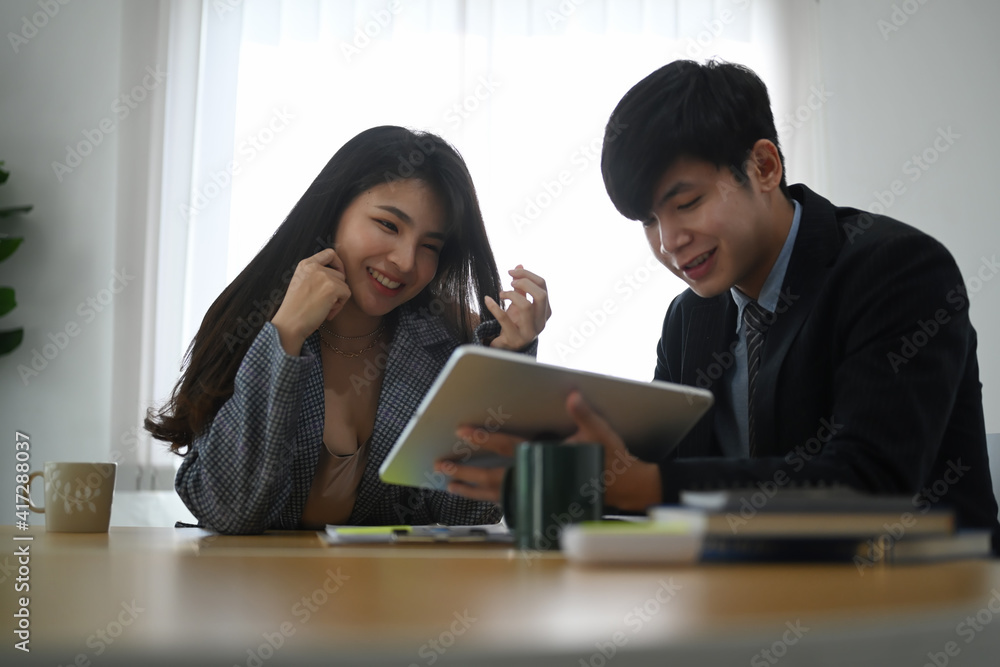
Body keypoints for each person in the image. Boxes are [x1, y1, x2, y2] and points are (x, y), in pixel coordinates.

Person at [440, 60, 1000, 553]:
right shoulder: (691, 318)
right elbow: (666, 483)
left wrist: (641, 483)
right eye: (649, 223)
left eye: (687, 203)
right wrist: (557, 474)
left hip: (924, 602)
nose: (669, 242)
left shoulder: (897, 269)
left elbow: (871, 482)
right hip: (749, 601)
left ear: (763, 167)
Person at [146, 126, 550, 535]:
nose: (406, 261)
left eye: (430, 245)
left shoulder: (446, 342)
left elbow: (467, 512)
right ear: (335, 211)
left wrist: (506, 365)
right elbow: (226, 509)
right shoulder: (250, 321)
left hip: (388, 594)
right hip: (251, 588)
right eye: (389, 225)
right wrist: (285, 334)